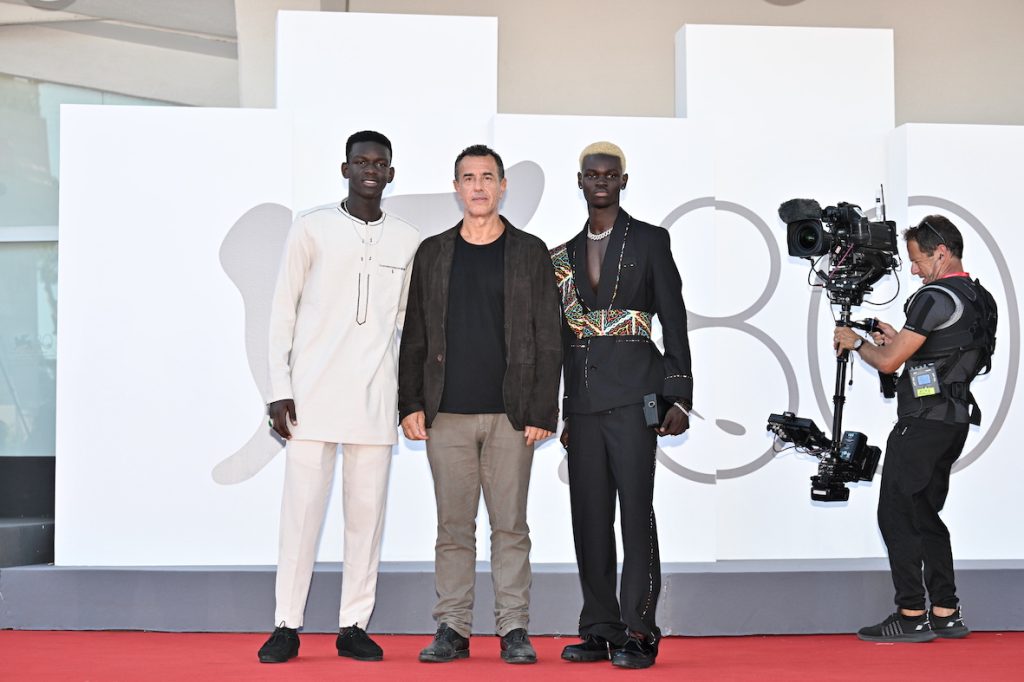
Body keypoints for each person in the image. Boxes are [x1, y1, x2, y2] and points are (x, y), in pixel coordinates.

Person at [257, 131, 419, 663]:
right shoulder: (312, 227)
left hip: (375, 400)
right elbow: (282, 312)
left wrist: (408, 398)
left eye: (380, 163)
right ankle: (286, 623)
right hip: (309, 398)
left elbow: (407, 327)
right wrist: (279, 391)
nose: (371, 169)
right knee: (300, 516)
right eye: (361, 161)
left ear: (391, 174)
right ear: (345, 168)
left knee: (365, 518)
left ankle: (353, 623)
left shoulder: (406, 240)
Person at [398, 144, 562, 664]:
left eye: (487, 177)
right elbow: (415, 334)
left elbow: (549, 335)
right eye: (468, 177)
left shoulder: (530, 252)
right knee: (453, 527)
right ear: (456, 187)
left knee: (510, 526)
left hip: (511, 416)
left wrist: (541, 410)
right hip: (445, 414)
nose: (478, 186)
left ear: (502, 185)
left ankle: (514, 628)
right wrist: (410, 402)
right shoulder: (433, 252)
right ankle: (453, 627)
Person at [554, 142, 693, 669]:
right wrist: (566, 412)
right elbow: (564, 342)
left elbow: (674, 319)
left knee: (635, 515)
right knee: (588, 518)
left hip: (638, 397)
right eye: (593, 174)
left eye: (611, 174)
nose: (602, 181)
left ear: (624, 181)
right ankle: (599, 627)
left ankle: (639, 629)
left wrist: (677, 394)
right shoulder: (561, 256)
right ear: (581, 180)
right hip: (586, 405)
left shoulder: (651, 240)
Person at [834, 215, 997, 643]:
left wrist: (857, 342)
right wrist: (894, 338)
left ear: (941, 253)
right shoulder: (980, 297)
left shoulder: (932, 297)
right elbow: (940, 353)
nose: (913, 270)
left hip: (922, 424)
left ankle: (910, 613)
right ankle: (945, 611)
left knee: (897, 513)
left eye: (918, 260)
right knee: (926, 514)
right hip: (953, 423)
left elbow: (889, 364)